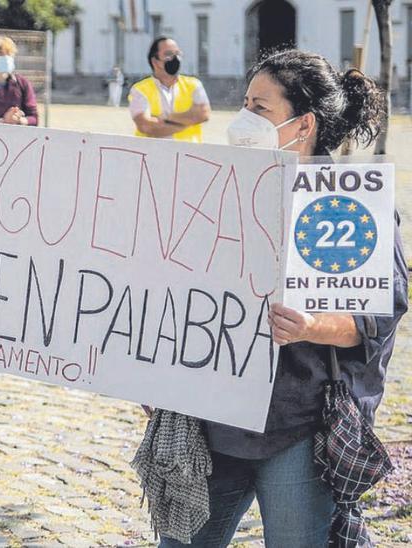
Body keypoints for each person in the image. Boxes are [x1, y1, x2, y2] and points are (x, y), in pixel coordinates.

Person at [156, 49, 407, 547]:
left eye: (261, 108)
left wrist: (310, 327)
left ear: (303, 123)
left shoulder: (349, 202)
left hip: (295, 427)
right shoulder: (216, 188)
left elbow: (377, 312)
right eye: (245, 103)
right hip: (213, 419)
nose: (244, 119)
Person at [129, 36, 209, 142]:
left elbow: (203, 114)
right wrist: (187, 122)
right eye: (168, 54)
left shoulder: (194, 85)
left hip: (188, 154)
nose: (175, 59)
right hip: (154, 154)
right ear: (155, 61)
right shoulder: (140, 89)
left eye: (178, 54)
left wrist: (167, 118)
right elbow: (146, 126)